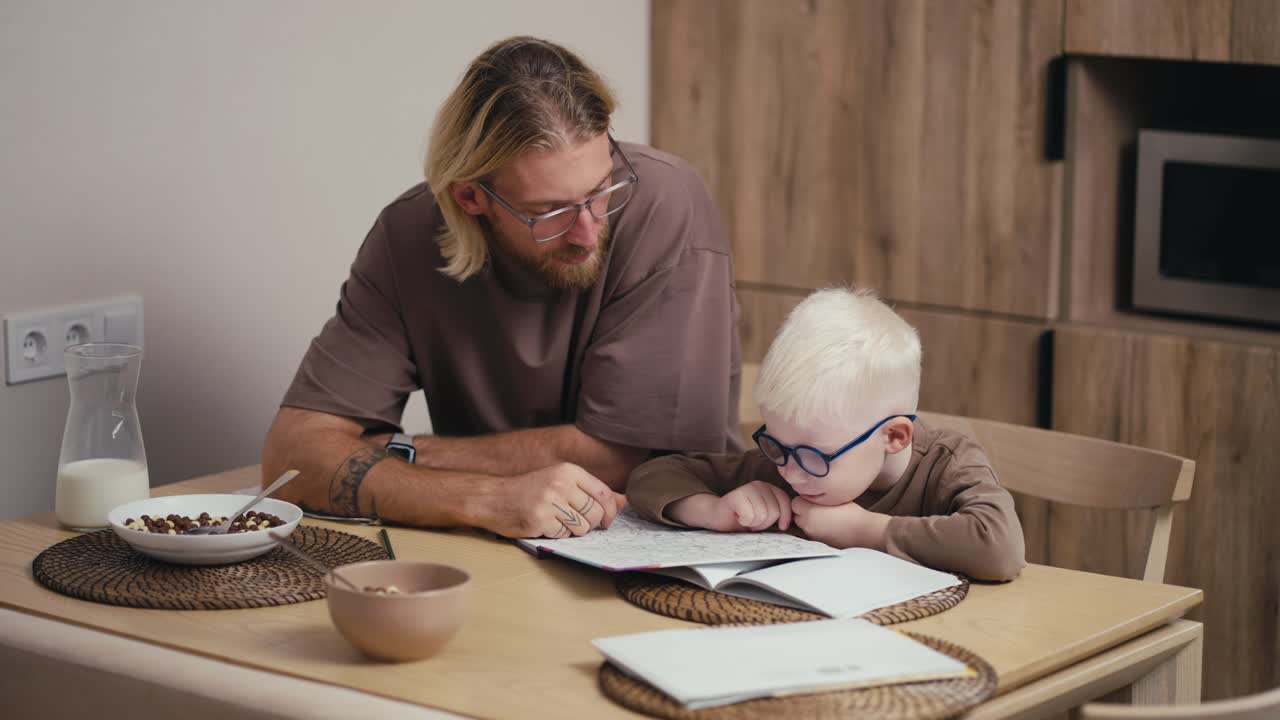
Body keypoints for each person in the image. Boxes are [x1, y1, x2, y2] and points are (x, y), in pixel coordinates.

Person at [263, 36, 743, 541]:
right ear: (470, 197)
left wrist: (403, 454)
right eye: (549, 211)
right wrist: (487, 498)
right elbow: (291, 459)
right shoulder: (407, 234)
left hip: (665, 540)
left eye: (601, 190)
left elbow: (622, 458)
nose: (587, 232)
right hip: (486, 538)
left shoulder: (664, 203)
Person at [626, 287, 1025, 581]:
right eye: (777, 445)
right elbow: (653, 476)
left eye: (815, 456)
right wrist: (713, 511)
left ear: (894, 437)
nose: (790, 473)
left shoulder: (946, 465)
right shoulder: (784, 462)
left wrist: (864, 530)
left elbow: (999, 547)